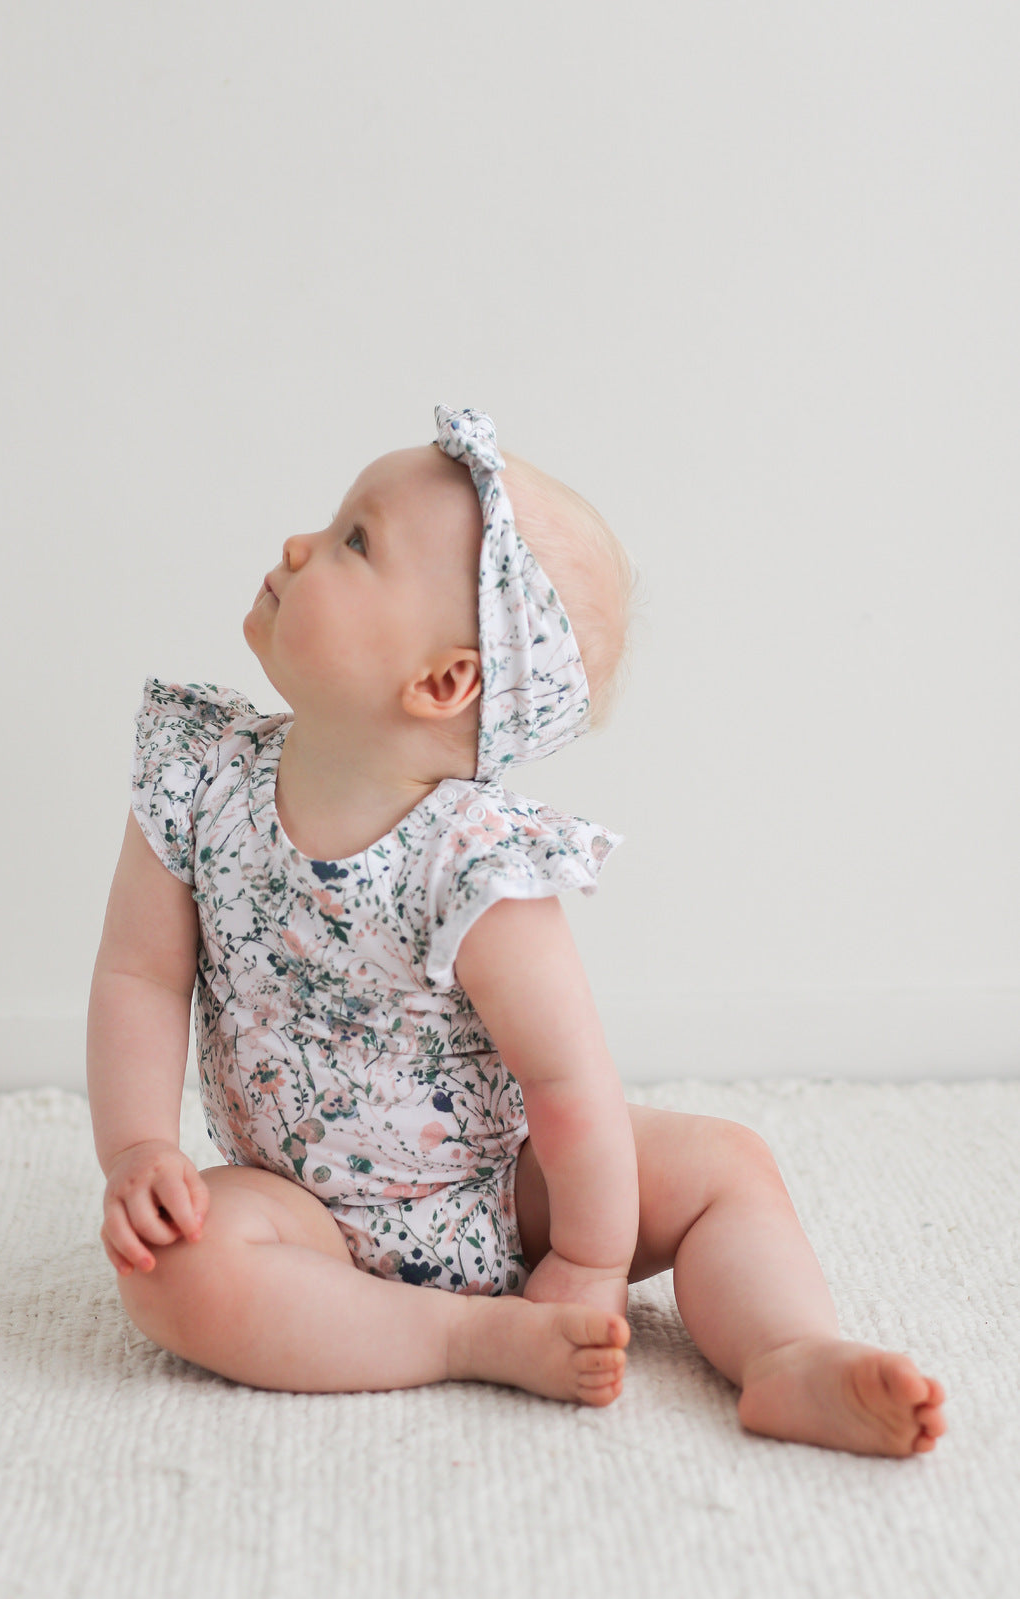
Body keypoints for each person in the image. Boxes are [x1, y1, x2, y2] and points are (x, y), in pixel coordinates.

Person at [86, 403, 947, 1455]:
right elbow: (138, 975)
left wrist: (583, 1265)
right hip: (292, 1207)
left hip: (502, 1191)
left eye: (354, 542)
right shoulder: (199, 774)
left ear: (442, 681)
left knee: (727, 1166)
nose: (298, 546)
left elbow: (566, 1082)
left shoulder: (478, 859)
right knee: (173, 1273)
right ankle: (460, 1338)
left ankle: (787, 1354)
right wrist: (137, 1149)